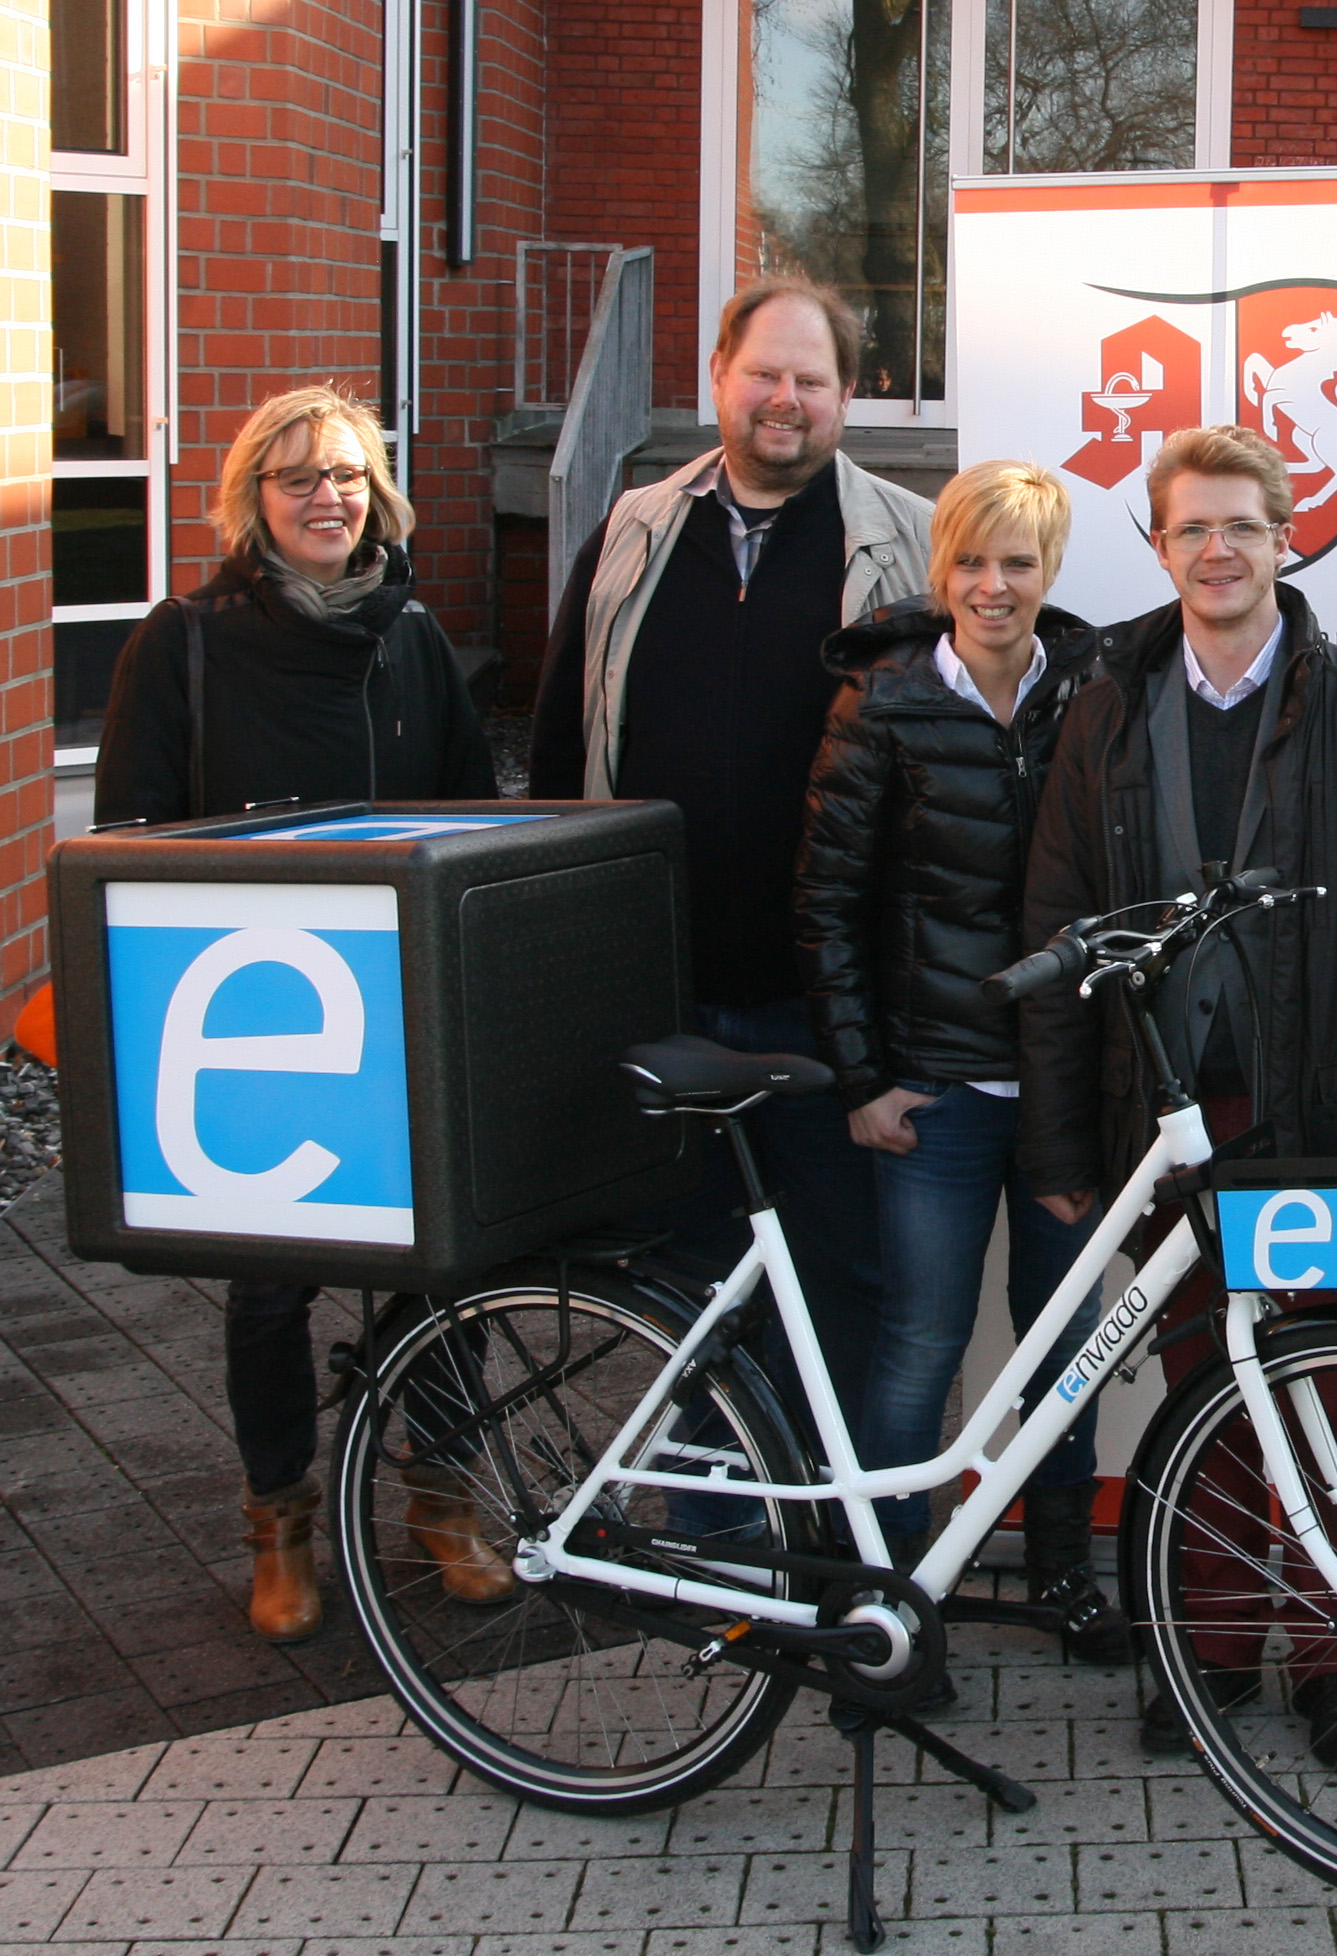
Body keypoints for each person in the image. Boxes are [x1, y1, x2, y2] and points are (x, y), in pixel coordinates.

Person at [1019, 424, 1337, 1771]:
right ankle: (1214, 1649)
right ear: (1159, 547)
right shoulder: (1105, 705)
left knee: (1321, 1386)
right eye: (1190, 529)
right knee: (1197, 1386)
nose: (1216, 551)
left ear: (1287, 537)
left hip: (1313, 1118)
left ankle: (1334, 1656)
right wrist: (1061, 1138)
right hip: (1164, 1115)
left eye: (1240, 526)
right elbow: (1058, 922)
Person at [93, 381, 501, 1642]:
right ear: (253, 500)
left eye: (349, 475)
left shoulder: (413, 637)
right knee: (270, 1293)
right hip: (253, 1020)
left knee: (444, 1271)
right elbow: (127, 843)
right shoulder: (183, 641)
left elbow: (473, 818)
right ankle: (278, 1521)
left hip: (401, 1014)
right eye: (299, 478)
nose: (329, 497)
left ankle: (441, 1496)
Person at [529, 275, 933, 1465]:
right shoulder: (633, 532)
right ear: (718, 375)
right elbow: (559, 747)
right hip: (670, 998)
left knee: (846, 1282)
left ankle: (824, 1529)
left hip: (831, 1011)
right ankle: (709, 1534)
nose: (785, 398)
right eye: (764, 372)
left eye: (812, 378)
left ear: (849, 396)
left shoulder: (911, 541)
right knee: (687, 1289)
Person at [793, 460, 1125, 1660]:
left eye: (1017, 563)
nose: (993, 586)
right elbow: (825, 905)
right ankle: (887, 1596)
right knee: (919, 1349)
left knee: (1064, 1349)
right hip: (933, 1092)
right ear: (941, 570)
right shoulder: (883, 700)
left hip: (1060, 1095)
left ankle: (1059, 1575)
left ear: (1050, 570)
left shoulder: (1093, 688)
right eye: (971, 562)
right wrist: (863, 1080)